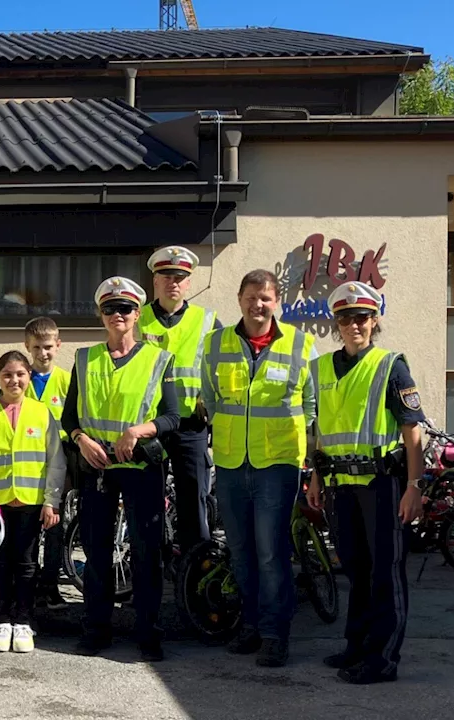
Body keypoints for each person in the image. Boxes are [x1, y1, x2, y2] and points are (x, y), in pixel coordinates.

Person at [306, 280, 424, 685]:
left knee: (384, 572)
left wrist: (415, 486)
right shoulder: (321, 367)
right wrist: (316, 476)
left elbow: (412, 431)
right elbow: (319, 428)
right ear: (336, 323)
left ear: (374, 321)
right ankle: (356, 646)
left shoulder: (392, 366)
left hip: (383, 485)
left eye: (361, 317)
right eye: (345, 318)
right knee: (355, 570)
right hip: (340, 486)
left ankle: (382, 659)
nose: (354, 324)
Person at [202, 270, 316, 668]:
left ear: (277, 302)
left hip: (277, 465)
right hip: (233, 463)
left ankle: (274, 635)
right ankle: (249, 627)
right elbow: (211, 399)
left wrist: (311, 460)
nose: (258, 305)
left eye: (266, 298)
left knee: (271, 554)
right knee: (241, 552)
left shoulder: (302, 345)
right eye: (251, 297)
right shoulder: (216, 344)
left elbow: (312, 406)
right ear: (239, 299)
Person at [65, 277, 180, 662]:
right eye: (110, 309)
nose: (119, 315)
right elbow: (69, 418)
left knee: (147, 552)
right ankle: (96, 630)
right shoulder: (85, 359)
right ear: (101, 314)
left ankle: (148, 633)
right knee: (97, 552)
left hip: (141, 466)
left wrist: (138, 430)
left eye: (127, 309)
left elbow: (173, 417)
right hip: (98, 467)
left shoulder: (157, 359)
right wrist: (81, 439)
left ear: (137, 314)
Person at [0, 351, 66, 653]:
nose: (14, 380)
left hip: (30, 501)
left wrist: (52, 500)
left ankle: (23, 619)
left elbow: (55, 460)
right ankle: (1, 618)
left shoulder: (41, 413)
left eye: (20, 374)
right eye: (7, 375)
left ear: (28, 377)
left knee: (25, 563)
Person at [139, 246, 219, 553]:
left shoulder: (208, 321)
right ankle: (151, 569)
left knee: (193, 498)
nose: (173, 282)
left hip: (190, 426)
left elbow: (224, 366)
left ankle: (195, 570)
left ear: (188, 283)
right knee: (148, 502)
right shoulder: (137, 318)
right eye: (166, 276)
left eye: (180, 277)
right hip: (149, 425)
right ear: (155, 281)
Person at [24, 316, 72, 609]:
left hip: (59, 463)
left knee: (55, 525)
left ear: (58, 345)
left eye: (49, 347)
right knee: (28, 528)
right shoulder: (20, 379)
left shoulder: (67, 380)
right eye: (37, 347)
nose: (43, 353)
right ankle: (28, 582)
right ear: (27, 347)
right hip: (26, 467)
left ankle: (51, 584)